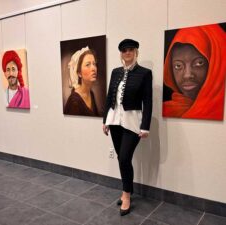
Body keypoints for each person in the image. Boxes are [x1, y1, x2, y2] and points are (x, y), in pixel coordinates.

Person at [102, 39, 152, 216]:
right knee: (121, 159)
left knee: (124, 158)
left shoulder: (145, 73)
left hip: (132, 123)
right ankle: (126, 191)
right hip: (114, 121)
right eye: (124, 50)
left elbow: (148, 100)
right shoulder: (115, 72)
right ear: (121, 54)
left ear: (136, 52)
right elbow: (109, 97)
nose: (127, 53)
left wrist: (145, 126)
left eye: (130, 50)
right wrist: (105, 120)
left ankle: (126, 195)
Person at [162, 24, 226, 120]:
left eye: (199, 63)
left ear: (216, 65)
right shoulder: (168, 110)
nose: (188, 75)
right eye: (178, 66)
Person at [64, 46, 99, 116]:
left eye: (94, 64)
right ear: (79, 73)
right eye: (88, 65)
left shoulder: (90, 93)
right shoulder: (74, 102)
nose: (93, 68)